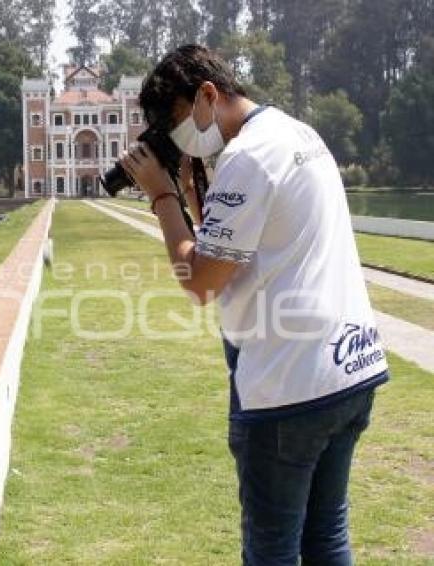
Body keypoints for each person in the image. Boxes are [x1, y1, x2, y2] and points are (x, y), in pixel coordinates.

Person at [119, 44, 389, 565]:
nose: (178, 138)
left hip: (290, 387)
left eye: (176, 122)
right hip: (350, 368)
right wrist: (192, 179)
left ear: (207, 94)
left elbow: (200, 280)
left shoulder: (247, 157)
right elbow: (236, 239)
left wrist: (161, 196)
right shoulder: (294, 133)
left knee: (272, 549)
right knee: (326, 537)